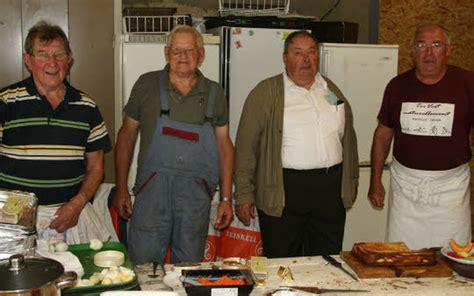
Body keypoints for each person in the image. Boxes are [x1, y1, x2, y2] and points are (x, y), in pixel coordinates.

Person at [113, 25, 234, 264]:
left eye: (190, 50)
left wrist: (227, 199)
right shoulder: (146, 85)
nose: (183, 56)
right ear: (167, 52)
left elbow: (225, 146)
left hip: (194, 200)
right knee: (144, 269)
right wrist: (120, 188)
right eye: (177, 50)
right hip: (151, 196)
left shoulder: (214, 93)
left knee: (188, 270)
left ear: (201, 55)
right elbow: (126, 136)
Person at [234, 31, 359, 257]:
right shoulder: (265, 93)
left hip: (330, 191)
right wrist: (243, 194)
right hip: (284, 190)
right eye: (298, 53)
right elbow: (245, 148)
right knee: (283, 261)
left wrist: (351, 180)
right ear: (285, 58)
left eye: (311, 52)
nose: (306, 59)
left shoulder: (331, 91)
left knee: (327, 258)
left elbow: (347, 136)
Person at [0, 21, 112, 244]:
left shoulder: (87, 107)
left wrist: (77, 204)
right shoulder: (5, 101)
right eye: (42, 55)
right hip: (12, 221)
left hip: (70, 217)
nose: (51, 63)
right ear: (28, 60)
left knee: (77, 277)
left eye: (59, 55)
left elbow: (96, 168)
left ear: (69, 59)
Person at [368, 24, 474, 250]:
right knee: (403, 254)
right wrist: (375, 181)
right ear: (413, 51)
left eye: (436, 45)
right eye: (421, 45)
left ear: (448, 50)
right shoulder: (397, 86)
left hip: (451, 190)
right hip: (406, 188)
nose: (428, 53)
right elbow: (382, 136)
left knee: (454, 256)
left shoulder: (467, 83)